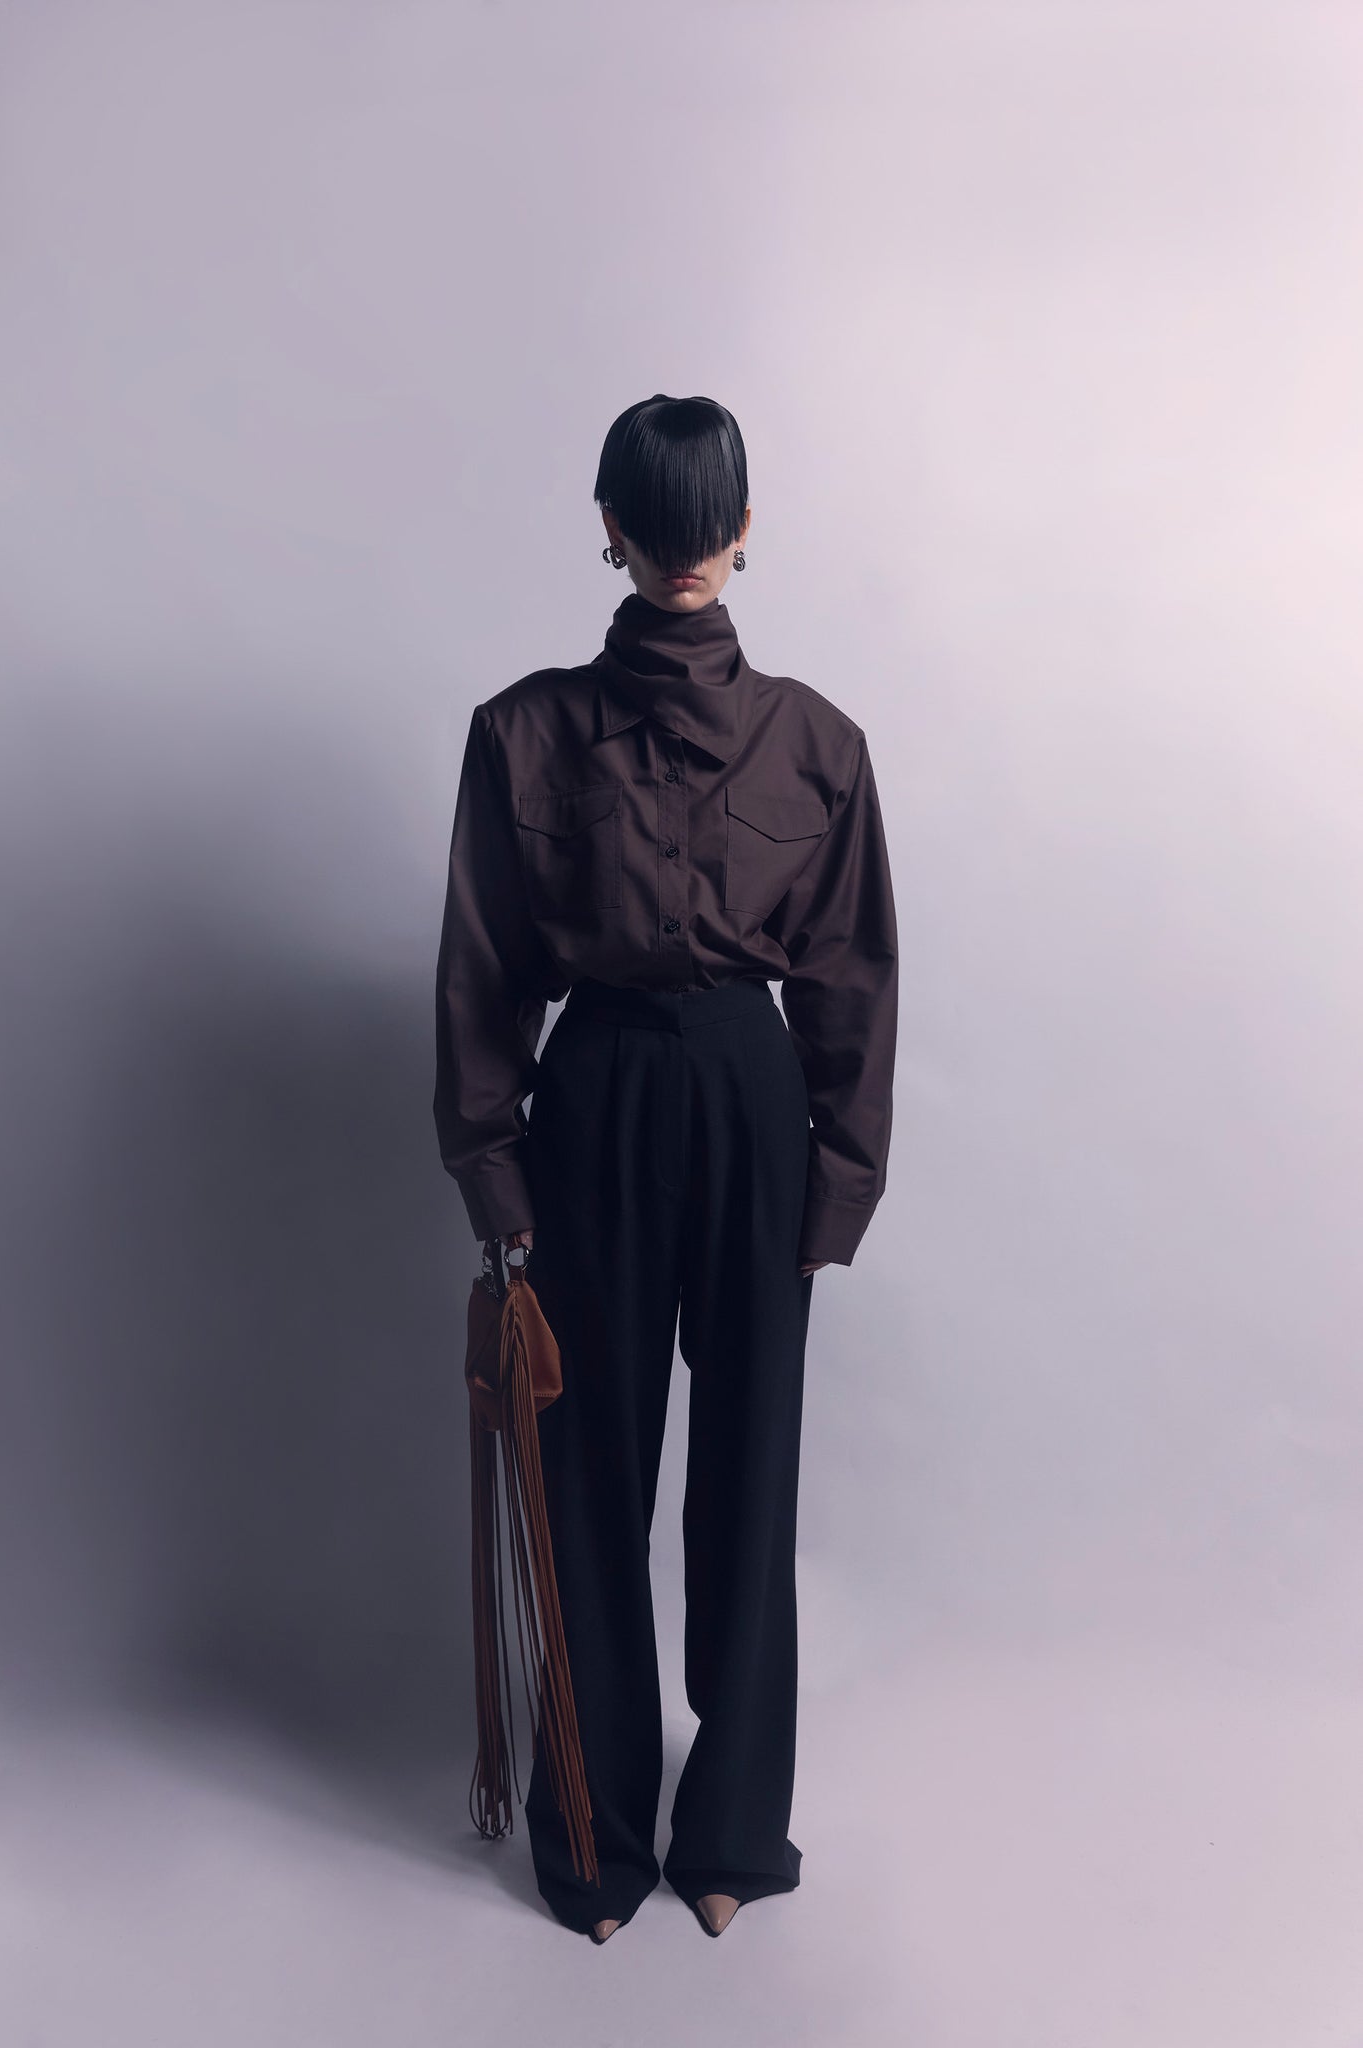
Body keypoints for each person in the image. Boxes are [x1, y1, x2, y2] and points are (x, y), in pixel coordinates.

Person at [434, 393, 898, 1942]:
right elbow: (482, 971)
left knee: (748, 1477)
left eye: (709, 520)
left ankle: (732, 1840)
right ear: (612, 529)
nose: (688, 547)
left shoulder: (818, 742)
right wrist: (496, 1179)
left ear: (744, 528)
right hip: (594, 1097)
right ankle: (593, 1839)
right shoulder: (522, 731)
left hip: (753, 1101)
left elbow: (850, 972)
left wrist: (838, 1181)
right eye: (660, 519)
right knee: (586, 1476)